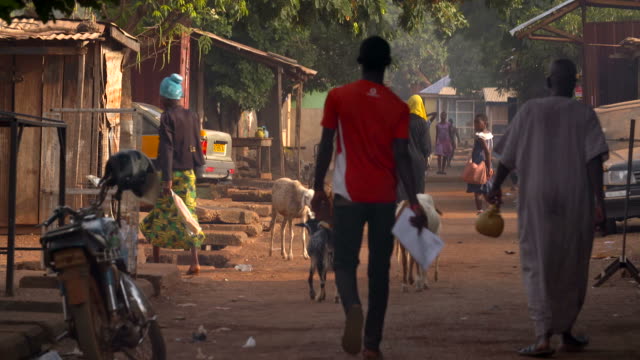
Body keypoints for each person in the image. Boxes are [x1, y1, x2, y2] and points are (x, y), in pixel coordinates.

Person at [311, 36, 428, 359]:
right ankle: (372, 344)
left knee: (346, 262)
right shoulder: (397, 106)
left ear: (360, 62)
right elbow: (402, 156)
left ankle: (352, 308)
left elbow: (325, 144)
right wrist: (414, 202)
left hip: (349, 196)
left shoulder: (338, 97)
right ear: (387, 66)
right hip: (383, 198)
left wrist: (318, 186)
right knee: (379, 270)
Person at [487, 59, 608, 357]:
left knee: (538, 263)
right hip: (575, 196)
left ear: (548, 81)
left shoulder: (529, 111)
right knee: (572, 263)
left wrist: (494, 186)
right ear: (574, 84)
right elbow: (594, 159)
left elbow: (507, 158)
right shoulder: (583, 113)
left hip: (536, 198)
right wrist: (599, 201)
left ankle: (543, 337)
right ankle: (566, 331)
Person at [140, 74, 206, 275]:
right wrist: (198, 168)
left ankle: (158, 260)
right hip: (188, 175)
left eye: (161, 97)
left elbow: (167, 148)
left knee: (161, 215)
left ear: (166, 99)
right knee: (188, 216)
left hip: (170, 175)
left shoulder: (167, 117)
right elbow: (196, 143)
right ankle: (194, 262)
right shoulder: (193, 116)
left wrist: (167, 178)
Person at [396, 95, 432, 202]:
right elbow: (426, 147)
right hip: (418, 162)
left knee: (402, 190)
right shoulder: (422, 123)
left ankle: (402, 214)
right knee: (418, 190)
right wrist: (426, 157)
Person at [466, 114, 493, 214]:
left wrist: (488, 167)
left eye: (478, 123)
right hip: (487, 163)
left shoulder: (480, 136)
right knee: (486, 188)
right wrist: (489, 166)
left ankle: (480, 210)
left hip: (479, 165)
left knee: (477, 190)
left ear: (484, 123)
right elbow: (490, 151)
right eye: (475, 123)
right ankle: (490, 208)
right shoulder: (489, 134)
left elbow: (487, 151)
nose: (475, 125)